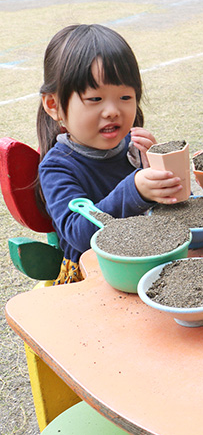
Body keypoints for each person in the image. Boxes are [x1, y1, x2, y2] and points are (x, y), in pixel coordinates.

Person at [37, 24, 184, 284]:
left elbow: (179, 208)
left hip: (148, 259)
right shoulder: (57, 167)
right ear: (54, 105)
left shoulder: (136, 146)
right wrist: (135, 190)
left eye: (125, 96)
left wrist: (160, 167)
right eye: (95, 99)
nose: (112, 111)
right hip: (94, 276)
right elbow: (77, 234)